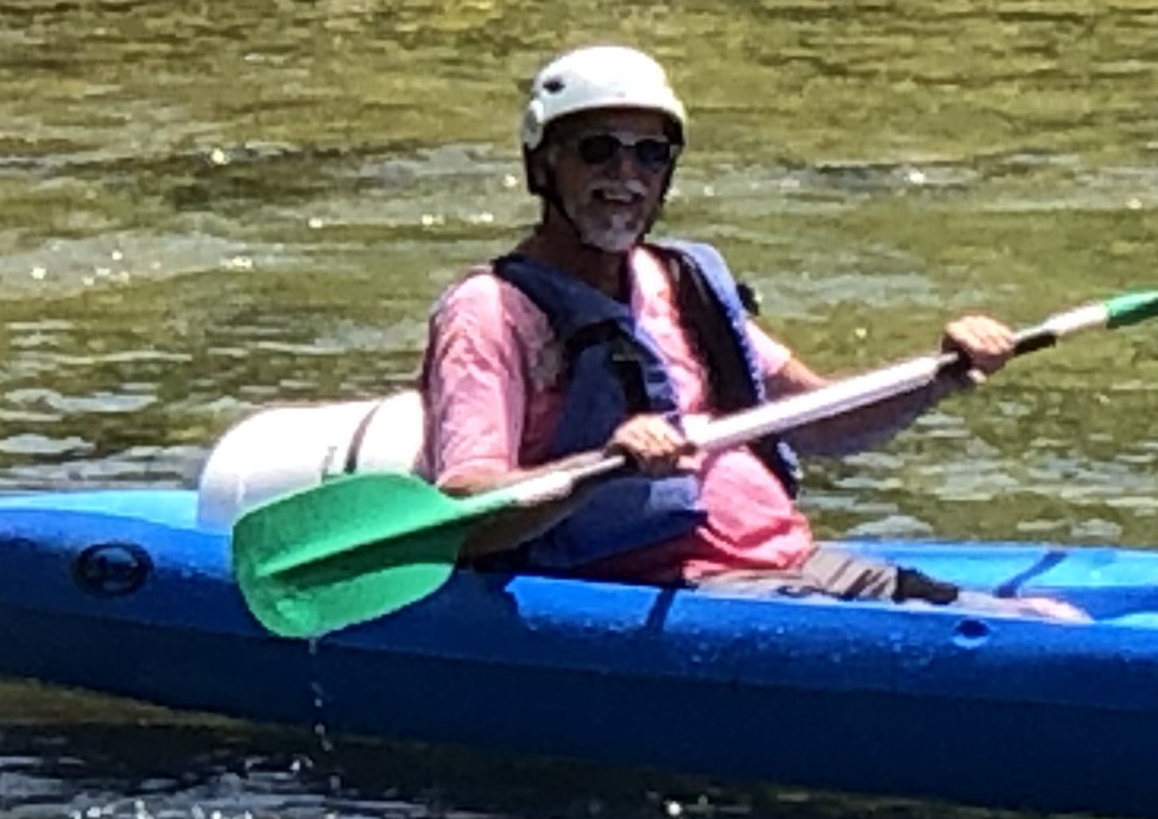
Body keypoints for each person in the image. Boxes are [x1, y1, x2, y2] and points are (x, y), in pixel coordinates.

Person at [417, 44, 1071, 612]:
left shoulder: (679, 284)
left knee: (1048, 619)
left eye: (649, 154)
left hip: (788, 563)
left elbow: (820, 419)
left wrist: (943, 375)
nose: (626, 176)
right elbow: (466, 511)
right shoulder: (492, 311)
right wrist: (603, 464)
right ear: (544, 164)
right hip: (659, 591)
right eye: (598, 151)